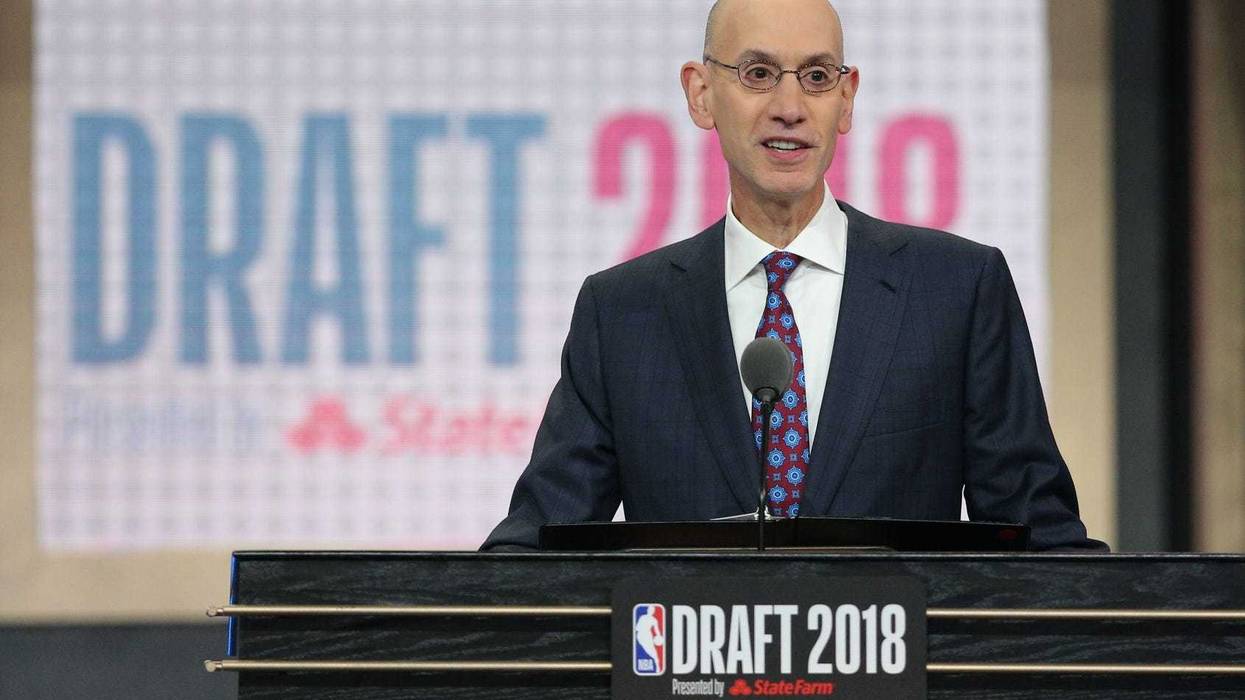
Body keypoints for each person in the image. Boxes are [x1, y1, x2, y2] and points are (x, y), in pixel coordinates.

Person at [482, 0, 1105, 551]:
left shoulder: (957, 289)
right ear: (700, 94)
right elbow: (540, 541)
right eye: (757, 74)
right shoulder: (621, 311)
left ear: (847, 97)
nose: (789, 108)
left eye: (815, 76)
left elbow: (1037, 540)